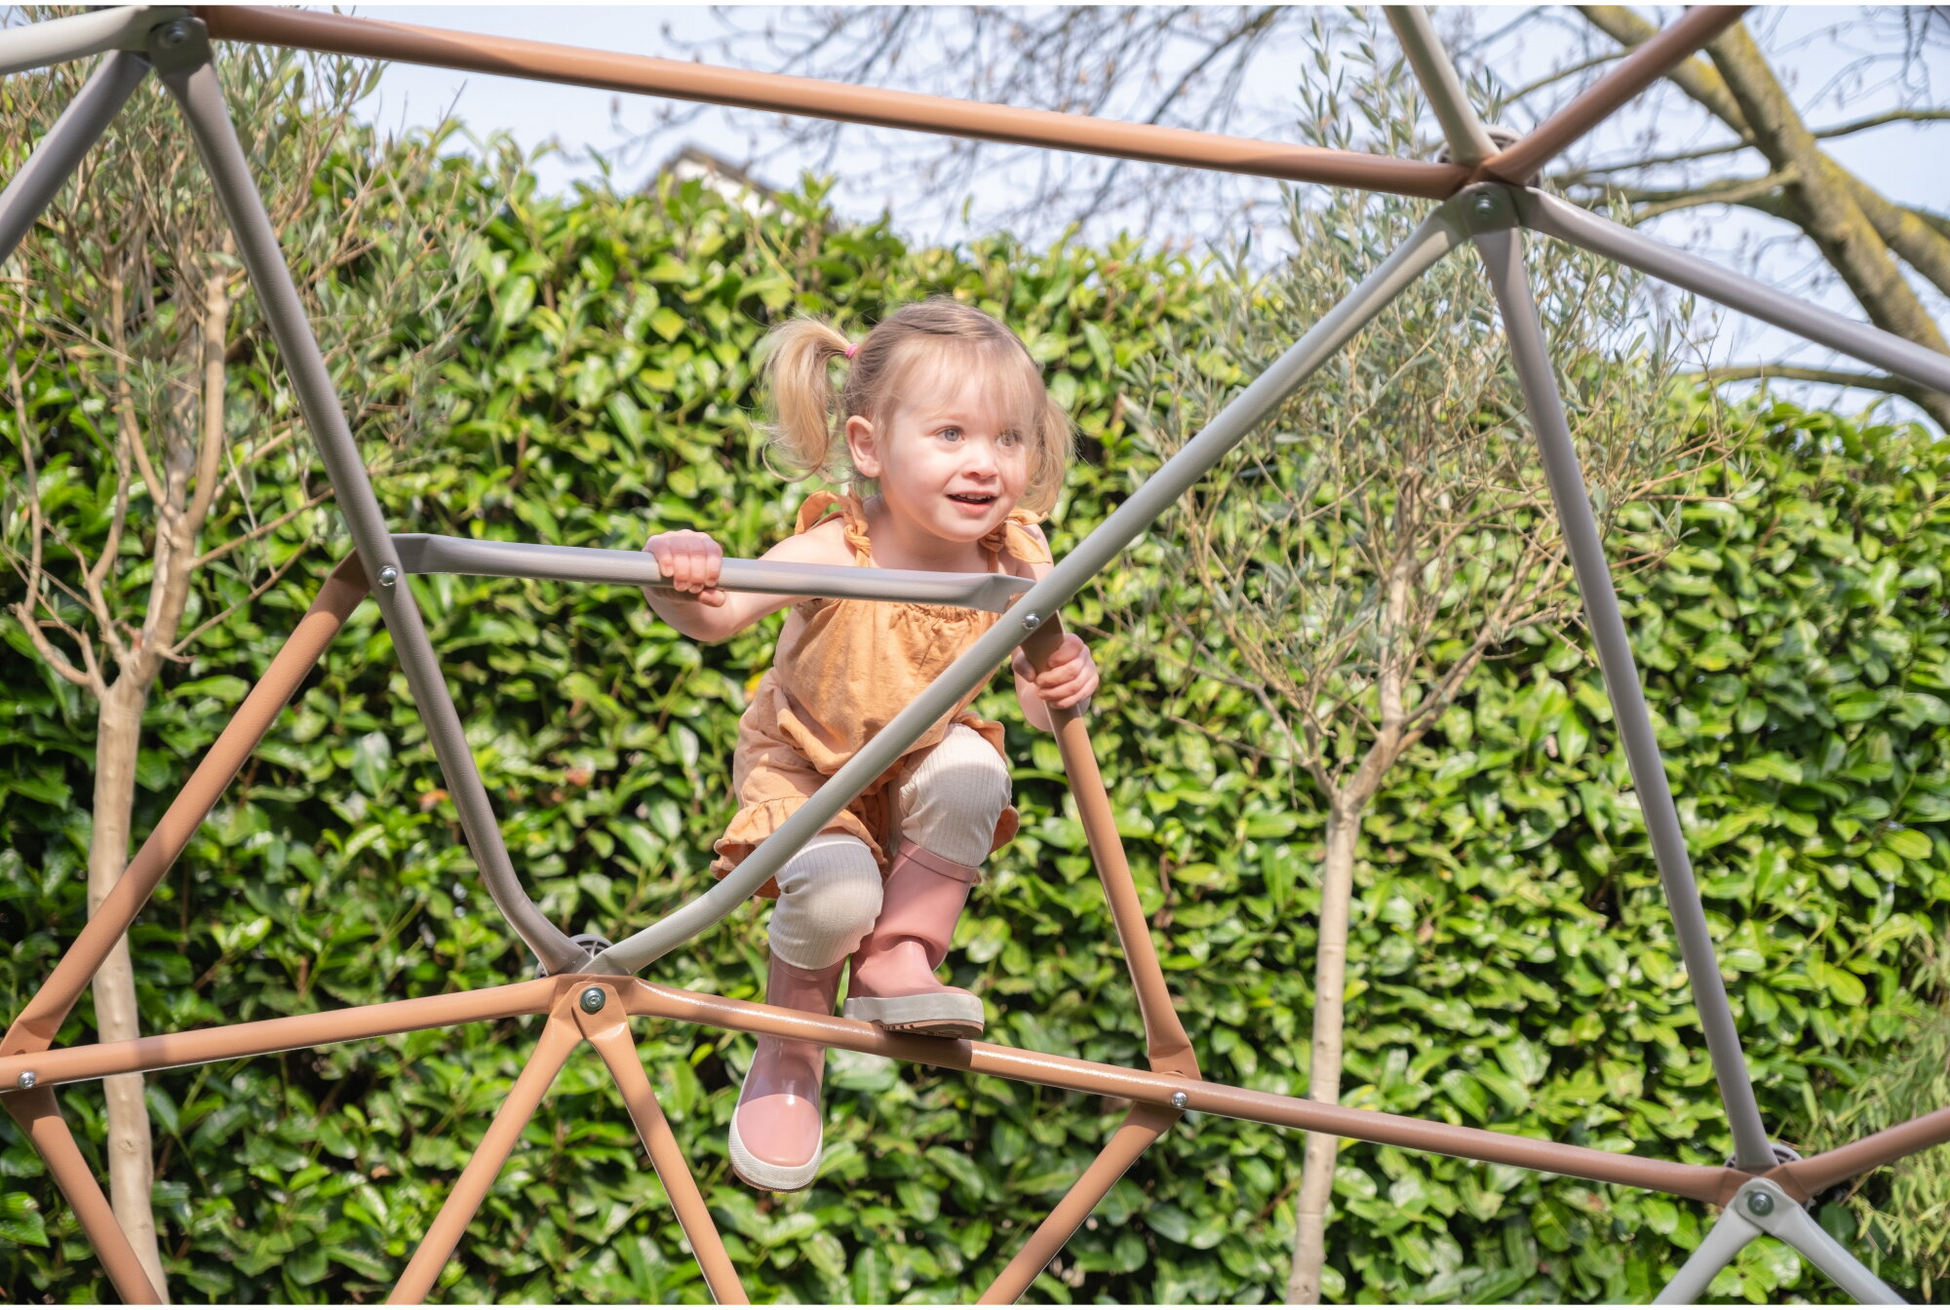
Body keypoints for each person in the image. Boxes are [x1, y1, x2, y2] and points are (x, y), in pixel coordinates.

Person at [640, 298, 1099, 1193]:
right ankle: (790, 1052)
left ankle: (901, 957)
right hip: (807, 766)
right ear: (867, 446)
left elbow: (1039, 707)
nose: (985, 463)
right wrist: (682, 568)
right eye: (952, 434)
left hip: (921, 762)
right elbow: (718, 616)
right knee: (838, 892)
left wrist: (1067, 680)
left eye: (1011, 438)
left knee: (978, 772)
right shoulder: (836, 543)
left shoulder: (1015, 565)